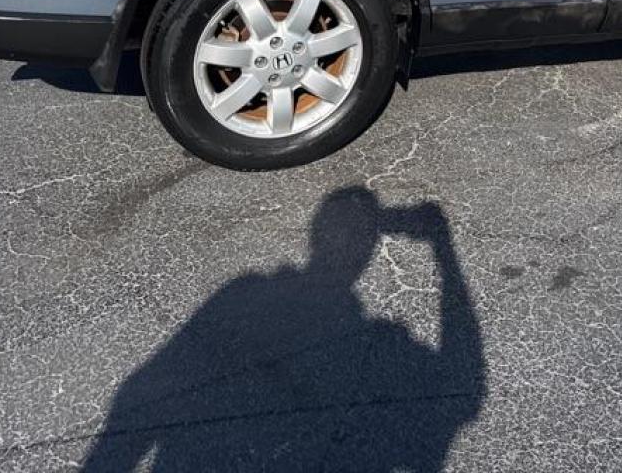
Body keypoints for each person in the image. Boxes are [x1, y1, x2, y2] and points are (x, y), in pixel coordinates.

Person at [81, 188, 485, 471]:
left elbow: (140, 391)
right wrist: (442, 248)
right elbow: (462, 385)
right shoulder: (251, 293)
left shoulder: (244, 291)